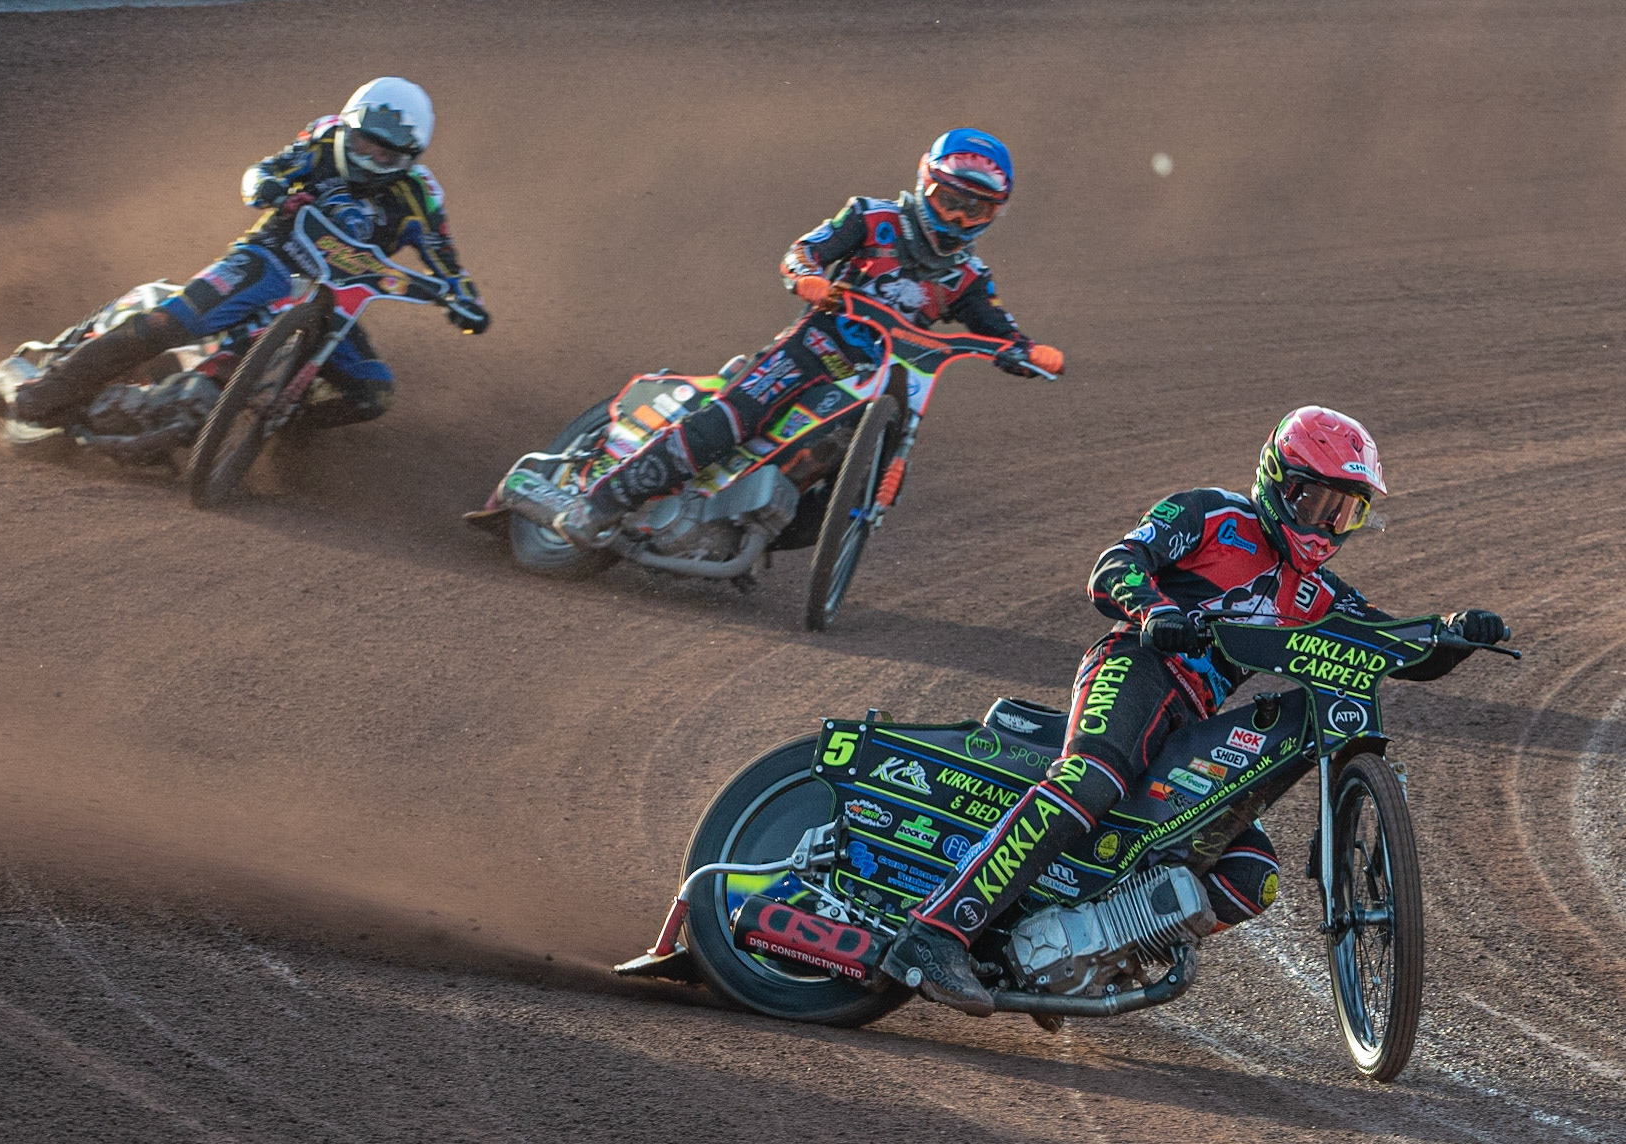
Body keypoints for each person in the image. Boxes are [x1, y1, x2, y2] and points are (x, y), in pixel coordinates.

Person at [880, 406, 1510, 1015]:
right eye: (1313, 500)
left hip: (1192, 719)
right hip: (1134, 666)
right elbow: (1114, 567)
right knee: (1092, 778)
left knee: (1249, 875)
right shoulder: (1210, 513)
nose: (1325, 523)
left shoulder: (1321, 594)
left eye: (1345, 510)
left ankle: (1070, 958)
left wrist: (1453, 634)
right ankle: (936, 933)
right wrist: (1156, 611)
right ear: (1276, 481)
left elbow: (1388, 646)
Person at [551, 128, 1063, 546]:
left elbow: (999, 332)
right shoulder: (872, 217)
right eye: (949, 201)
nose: (956, 219)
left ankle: (744, 533)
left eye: (975, 211)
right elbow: (803, 252)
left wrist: (1027, 353)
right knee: (736, 418)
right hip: (814, 347)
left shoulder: (969, 278)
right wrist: (807, 276)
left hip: (882, 381)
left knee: (873, 473)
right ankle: (601, 502)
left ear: (993, 215)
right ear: (926, 185)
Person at [8, 77, 489, 429]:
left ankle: (272, 428)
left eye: (389, 156)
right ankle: (51, 390)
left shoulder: (419, 196)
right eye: (366, 144)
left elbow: (446, 260)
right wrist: (273, 189)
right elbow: (261, 172)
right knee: (173, 320)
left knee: (374, 393)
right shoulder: (322, 140)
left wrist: (464, 300)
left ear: (410, 159)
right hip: (270, 257)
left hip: (333, 300)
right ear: (348, 128)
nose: (373, 160)